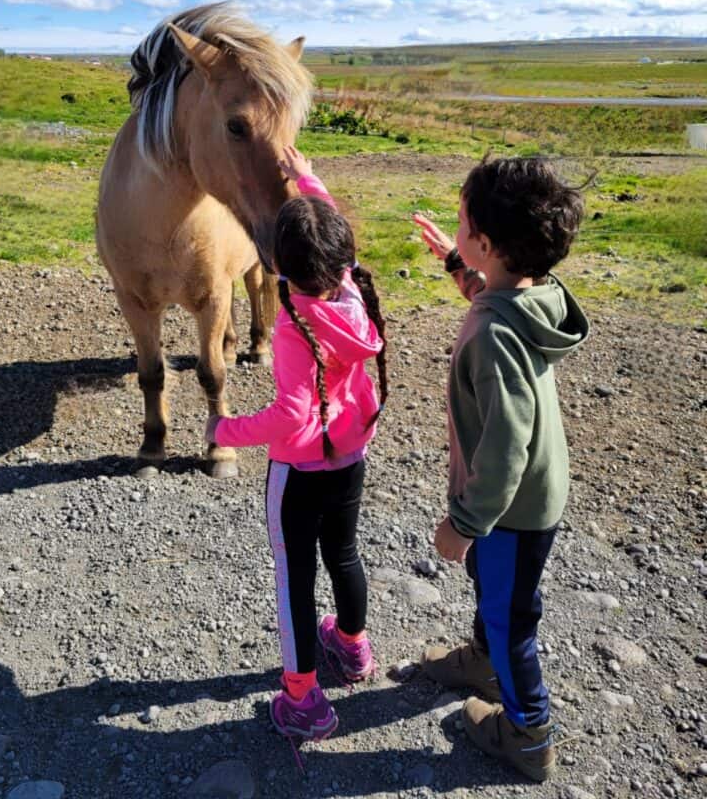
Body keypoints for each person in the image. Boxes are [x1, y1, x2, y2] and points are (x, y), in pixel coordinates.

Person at [413, 157, 589, 782]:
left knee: (513, 617)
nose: (455, 229)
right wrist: (462, 264)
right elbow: (498, 294)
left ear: (488, 244)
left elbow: (506, 446)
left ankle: (528, 732)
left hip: (510, 510)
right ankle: (485, 660)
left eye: (463, 226)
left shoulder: (493, 336)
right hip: (529, 498)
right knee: (500, 598)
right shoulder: (531, 294)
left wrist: (464, 523)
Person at [205, 145, 387, 746]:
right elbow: (332, 227)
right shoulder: (351, 290)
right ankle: (353, 649)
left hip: (300, 469)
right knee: (345, 553)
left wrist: (225, 429)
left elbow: (289, 415)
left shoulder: (292, 325)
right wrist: (306, 177)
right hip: (350, 456)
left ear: (277, 263)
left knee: (295, 582)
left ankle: (304, 698)